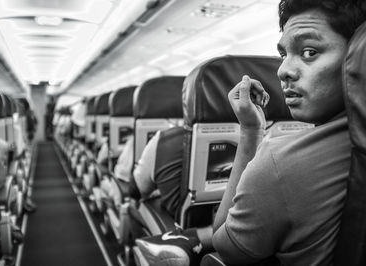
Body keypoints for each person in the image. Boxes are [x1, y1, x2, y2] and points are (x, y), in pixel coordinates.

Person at [135, 1, 366, 265]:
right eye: (283, 55)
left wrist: (250, 130)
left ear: (357, 58)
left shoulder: (281, 162)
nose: (283, 71)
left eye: (309, 52)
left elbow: (225, 246)